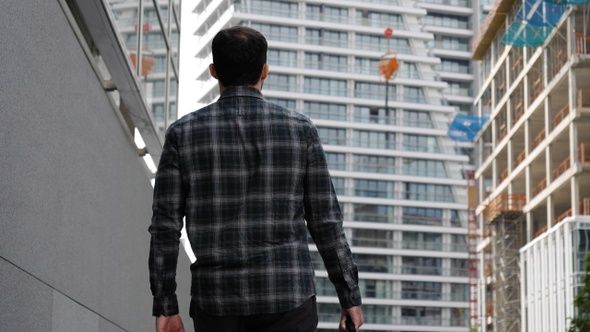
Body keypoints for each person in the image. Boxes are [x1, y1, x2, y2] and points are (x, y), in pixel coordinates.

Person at [149, 25, 364, 332]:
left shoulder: (182, 135)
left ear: (213, 71)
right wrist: (350, 295)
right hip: (289, 298)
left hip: (217, 302)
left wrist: (166, 304)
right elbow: (326, 224)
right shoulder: (301, 131)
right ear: (265, 70)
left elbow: (165, 227)